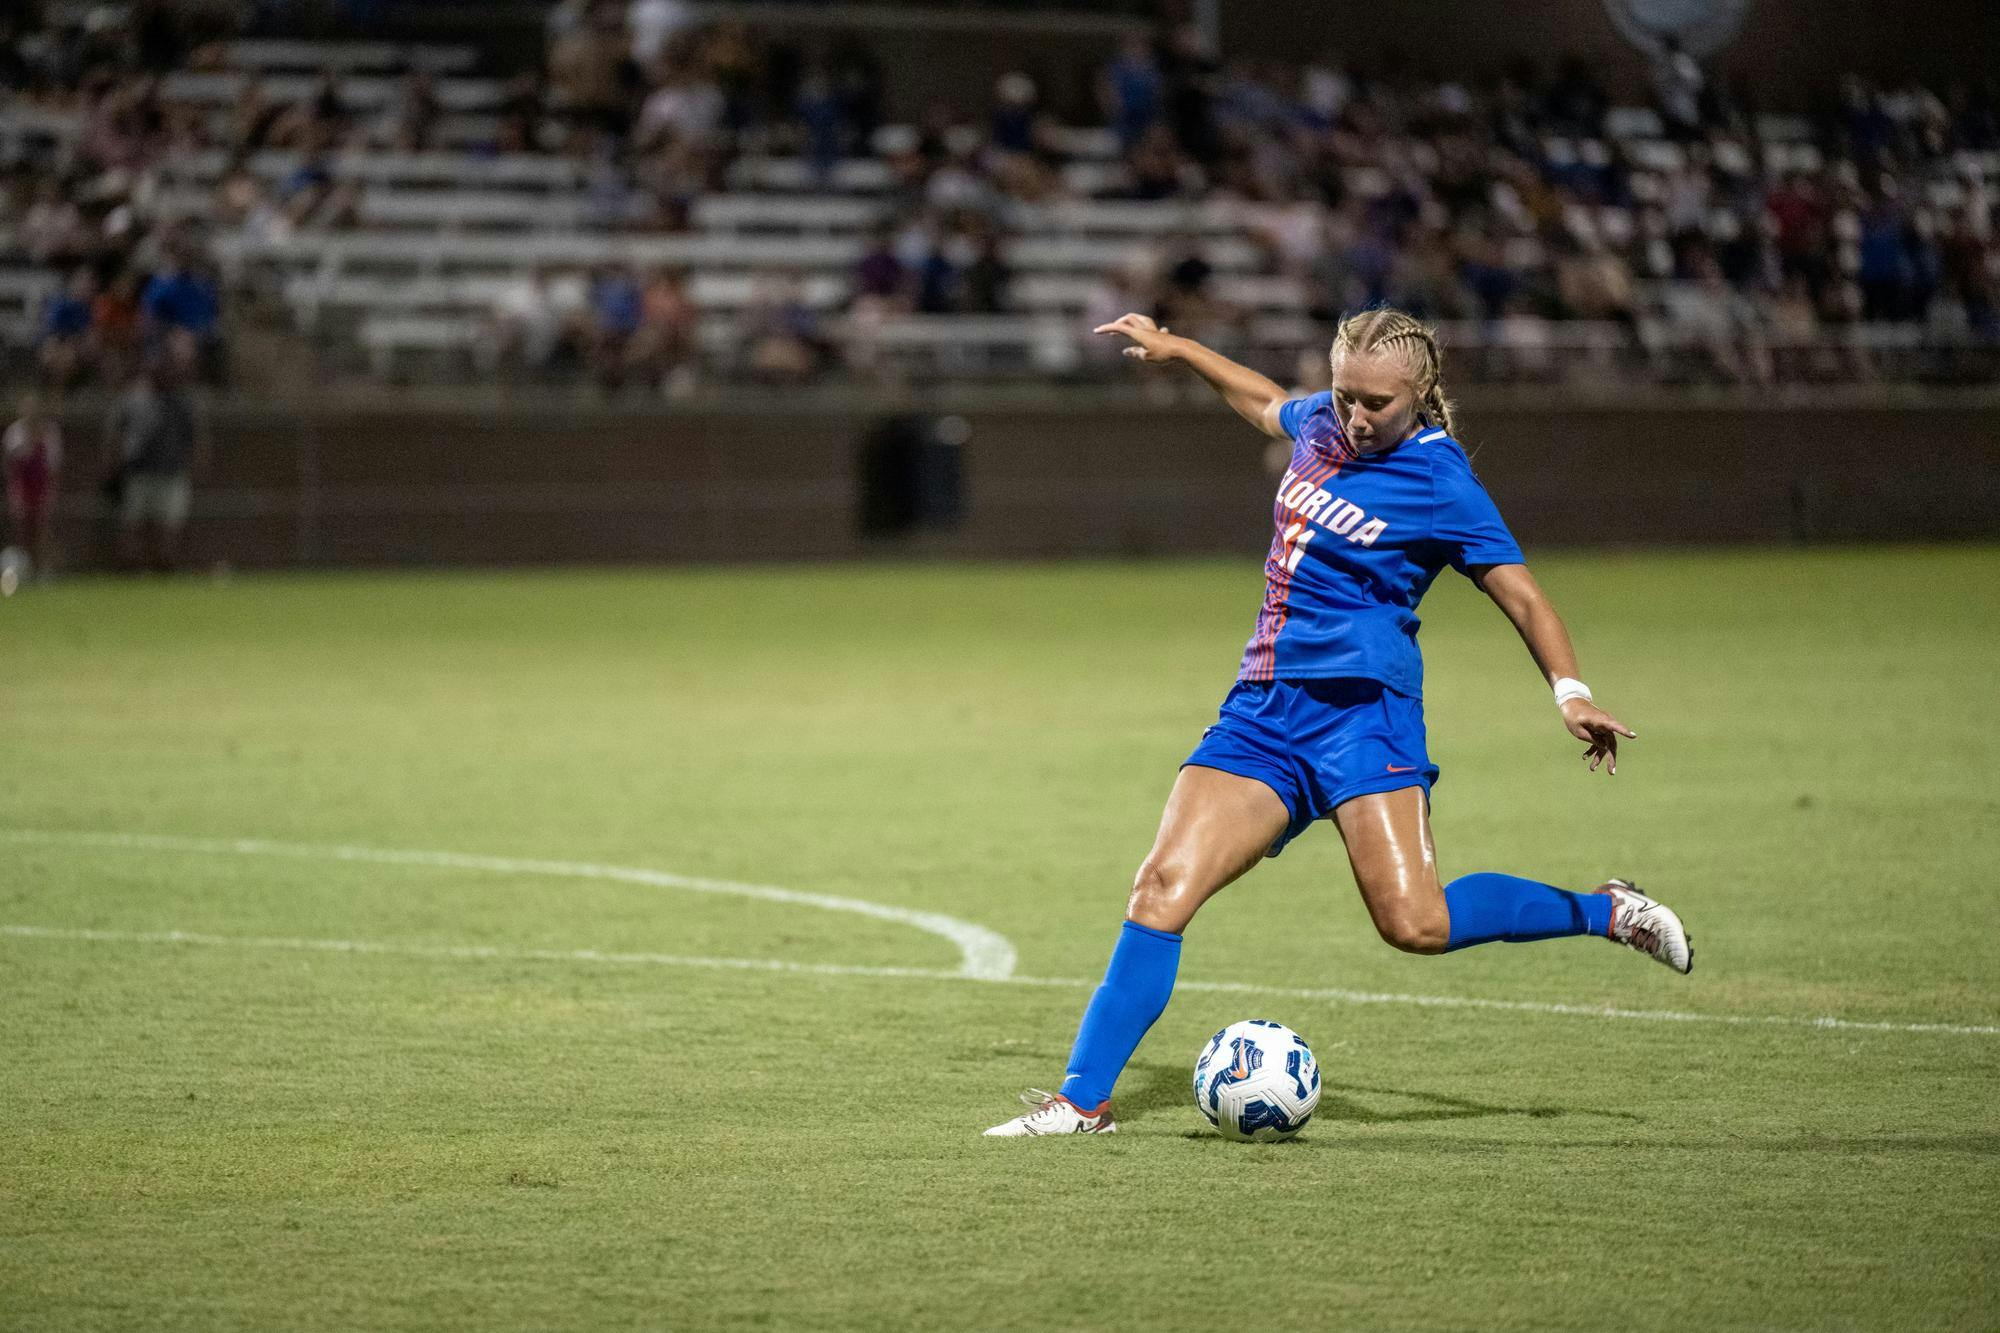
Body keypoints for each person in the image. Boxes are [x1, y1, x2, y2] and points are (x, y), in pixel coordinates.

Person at [985, 306, 1692, 1138]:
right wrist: (1180, 351)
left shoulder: (1441, 479)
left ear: (1420, 393)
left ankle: (1606, 910)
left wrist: (1570, 691)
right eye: (1346, 394)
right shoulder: (1322, 422)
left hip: (1367, 723)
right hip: (1263, 712)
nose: (1356, 416)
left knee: (1416, 923)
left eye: (1377, 404)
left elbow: (1522, 593)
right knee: (1161, 887)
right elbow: (1262, 402)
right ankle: (1081, 1102)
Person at [105, 360, 205, 573]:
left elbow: (195, 440)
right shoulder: (135, 402)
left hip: (172, 474)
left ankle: (164, 570)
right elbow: (117, 435)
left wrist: (196, 468)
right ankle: (129, 570)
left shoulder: (181, 405)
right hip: (139, 473)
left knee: (168, 528)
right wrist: (113, 466)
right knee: (132, 525)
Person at [4, 394, 63, 581]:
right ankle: (23, 571)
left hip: (42, 487)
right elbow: (11, 462)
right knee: (22, 530)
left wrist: (51, 490)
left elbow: (54, 464)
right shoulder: (15, 432)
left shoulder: (50, 431)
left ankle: (44, 571)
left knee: (43, 530)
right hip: (22, 488)